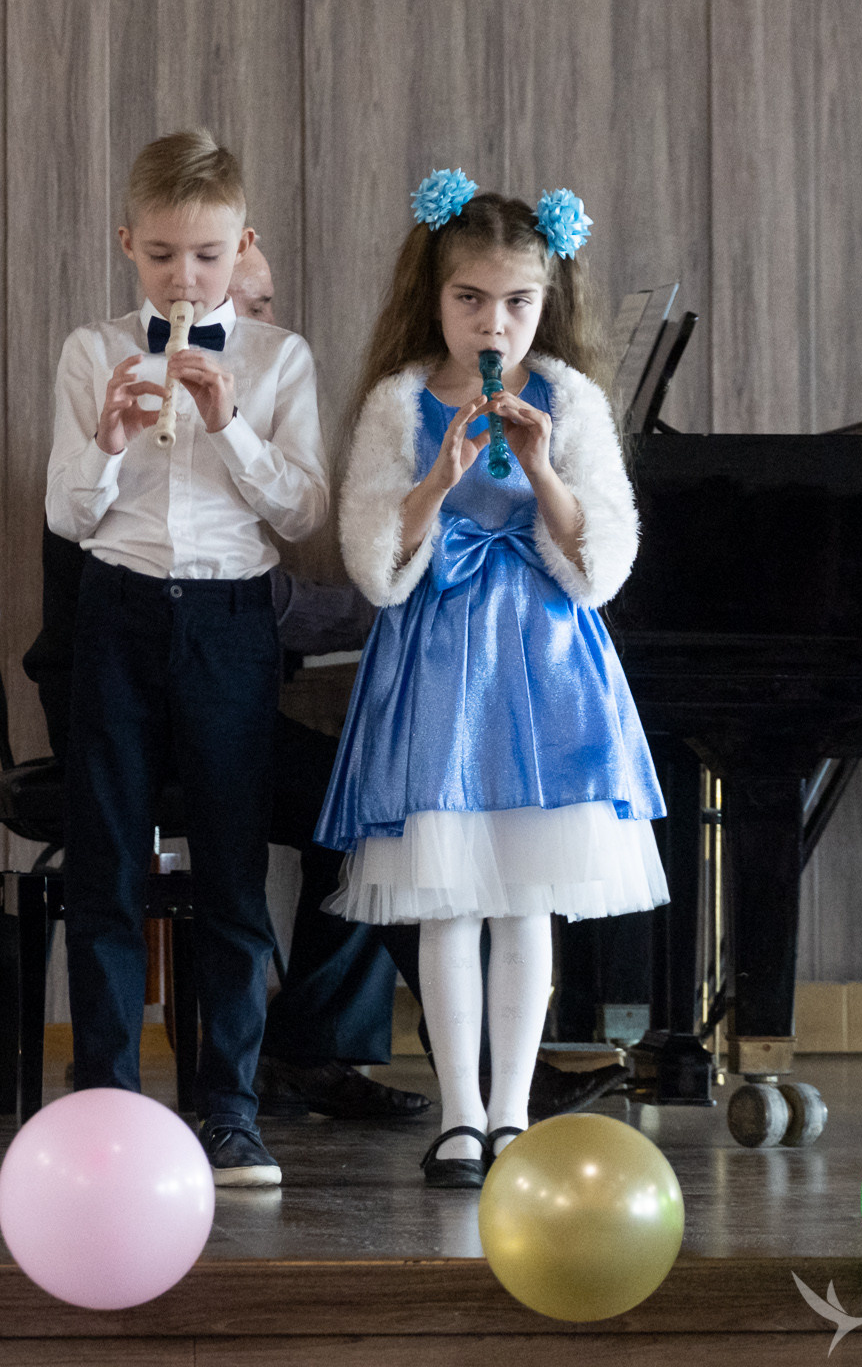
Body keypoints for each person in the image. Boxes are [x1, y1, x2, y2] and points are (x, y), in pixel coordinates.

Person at [315, 170, 668, 1188]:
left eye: (517, 302)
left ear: (545, 301)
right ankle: (460, 1117)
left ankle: (512, 1113)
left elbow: (602, 565)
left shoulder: (570, 397)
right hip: (437, 670)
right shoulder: (397, 401)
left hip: (546, 671)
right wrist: (439, 476)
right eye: (470, 298)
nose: (494, 322)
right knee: (449, 900)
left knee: (523, 902)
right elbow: (374, 565)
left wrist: (541, 467)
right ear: (433, 296)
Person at [46, 129, 325, 1187]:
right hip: (118, 613)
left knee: (234, 875)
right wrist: (110, 440)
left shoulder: (280, 359)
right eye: (161, 254)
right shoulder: (91, 350)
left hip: (229, 622)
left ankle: (231, 1112)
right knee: (108, 870)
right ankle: (109, 1111)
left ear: (240, 246)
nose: (184, 277)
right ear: (127, 244)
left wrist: (233, 424)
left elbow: (301, 512)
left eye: (206, 255)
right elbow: (67, 515)